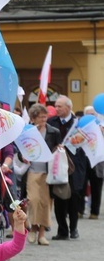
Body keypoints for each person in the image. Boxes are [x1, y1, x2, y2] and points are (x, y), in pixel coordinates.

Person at [24, 103, 61, 245]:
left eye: (45, 117)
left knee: (45, 202)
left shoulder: (54, 131)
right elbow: (21, 149)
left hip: (48, 171)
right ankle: (33, 228)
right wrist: (23, 157)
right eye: (40, 117)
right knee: (33, 200)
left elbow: (58, 149)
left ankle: (42, 234)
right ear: (33, 118)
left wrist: (59, 150)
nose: (43, 119)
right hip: (33, 170)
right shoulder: (28, 131)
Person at [49, 95, 84, 239]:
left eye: (59, 106)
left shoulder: (78, 124)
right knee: (59, 197)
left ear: (68, 108)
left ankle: (74, 228)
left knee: (74, 197)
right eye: (56, 106)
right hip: (57, 165)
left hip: (73, 165)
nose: (56, 109)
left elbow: (83, 143)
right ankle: (62, 230)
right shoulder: (52, 122)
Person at [83, 105, 104, 218]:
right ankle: (79, 210)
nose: (90, 116)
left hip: (97, 162)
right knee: (81, 186)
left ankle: (94, 212)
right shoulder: (80, 128)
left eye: (92, 114)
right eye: (88, 114)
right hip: (84, 161)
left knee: (96, 186)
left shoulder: (101, 127)